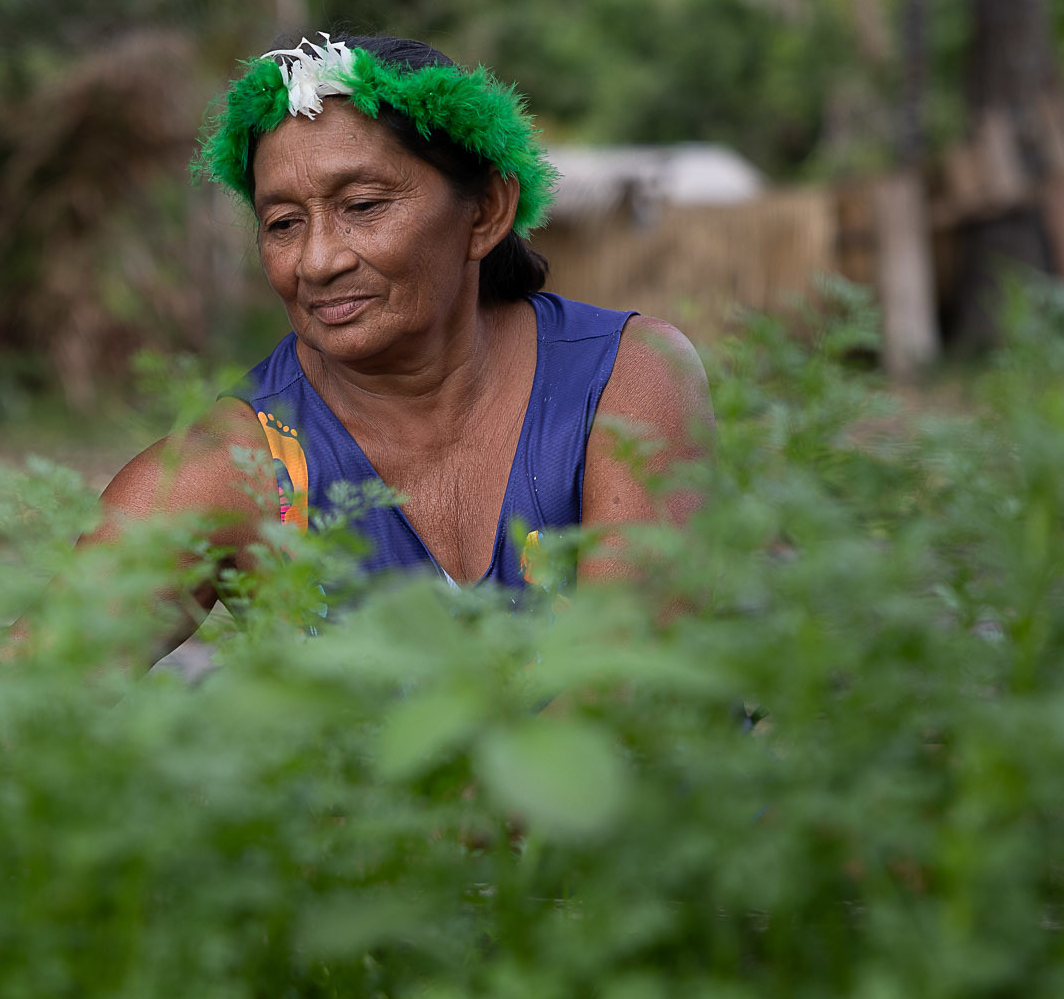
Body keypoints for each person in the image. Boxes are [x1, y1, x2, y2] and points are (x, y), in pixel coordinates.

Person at [86, 34, 715, 653]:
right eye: (283, 224)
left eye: (362, 205)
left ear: (487, 211)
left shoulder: (622, 380)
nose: (317, 261)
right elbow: (25, 702)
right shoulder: (229, 468)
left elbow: (625, 691)